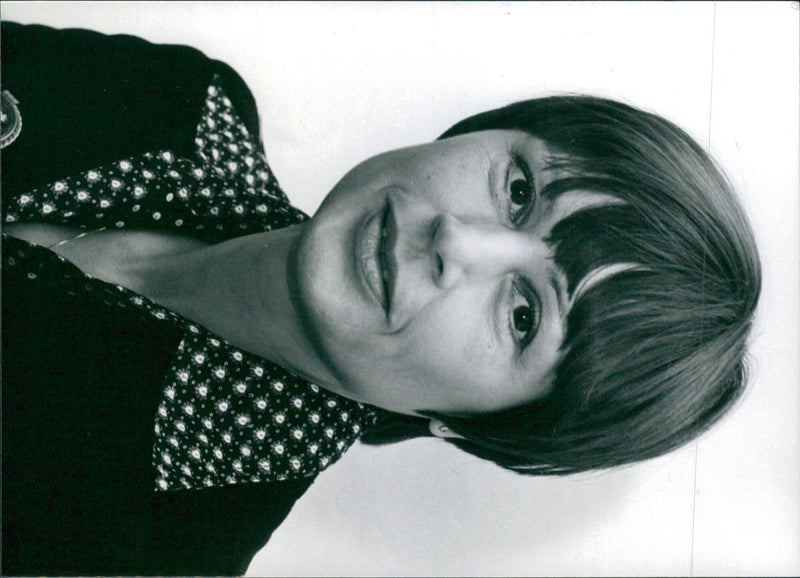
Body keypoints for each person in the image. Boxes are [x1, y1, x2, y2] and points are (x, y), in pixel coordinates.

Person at [1, 22, 761, 576]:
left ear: (467, 426)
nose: (456, 242)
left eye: (524, 315)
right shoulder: (186, 98)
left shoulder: (144, 549)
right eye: (520, 190)